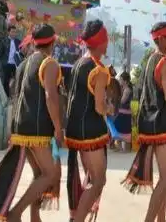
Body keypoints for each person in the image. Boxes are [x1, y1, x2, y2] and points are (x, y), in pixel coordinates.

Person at [0, 24, 64, 221]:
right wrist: (58, 127)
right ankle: (15, 213)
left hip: (20, 126)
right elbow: (50, 96)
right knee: (49, 174)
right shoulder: (50, 64)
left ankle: (34, 217)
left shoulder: (23, 64)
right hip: (37, 127)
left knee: (39, 173)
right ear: (52, 43)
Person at [123, 22, 166, 222]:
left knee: (164, 178)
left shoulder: (150, 60)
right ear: (161, 39)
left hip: (150, 125)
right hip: (164, 126)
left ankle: (161, 219)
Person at [65, 19, 112, 222]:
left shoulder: (79, 63)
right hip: (91, 130)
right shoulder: (99, 69)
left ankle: (79, 217)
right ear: (101, 42)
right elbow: (99, 107)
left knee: (91, 178)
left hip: (75, 128)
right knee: (98, 180)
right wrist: (109, 107)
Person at [114, 71, 134, 151]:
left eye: (121, 79)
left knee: (119, 132)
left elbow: (122, 101)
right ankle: (123, 151)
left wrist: (114, 99)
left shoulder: (127, 90)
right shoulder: (125, 89)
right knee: (124, 134)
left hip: (123, 115)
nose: (120, 81)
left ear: (125, 81)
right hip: (124, 114)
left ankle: (122, 151)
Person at [2, 25, 23, 96]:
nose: (14, 33)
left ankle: (16, 95)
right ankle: (7, 96)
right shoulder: (4, 40)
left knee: (18, 80)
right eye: (12, 32)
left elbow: (21, 52)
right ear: (8, 32)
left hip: (15, 64)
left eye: (15, 32)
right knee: (6, 81)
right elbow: (0, 52)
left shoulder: (18, 41)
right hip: (7, 63)